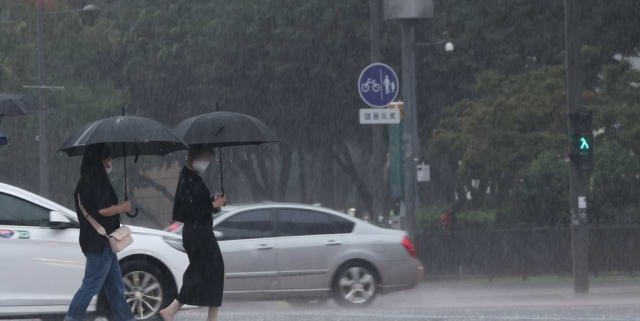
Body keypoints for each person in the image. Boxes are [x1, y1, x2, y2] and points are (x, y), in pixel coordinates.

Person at [65, 143, 135, 321]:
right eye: (108, 159)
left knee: (115, 288)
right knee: (90, 287)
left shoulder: (86, 180)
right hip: (100, 242)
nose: (110, 163)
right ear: (100, 160)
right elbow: (103, 210)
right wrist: (123, 207)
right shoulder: (96, 180)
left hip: (99, 241)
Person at [160, 146, 227, 321]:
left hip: (199, 232)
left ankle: (173, 311)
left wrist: (214, 201)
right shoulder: (188, 179)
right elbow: (192, 210)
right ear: (193, 156)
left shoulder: (191, 177)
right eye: (205, 157)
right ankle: (173, 311)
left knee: (207, 272)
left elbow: (197, 206)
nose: (206, 162)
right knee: (210, 272)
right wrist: (212, 204)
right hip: (199, 234)